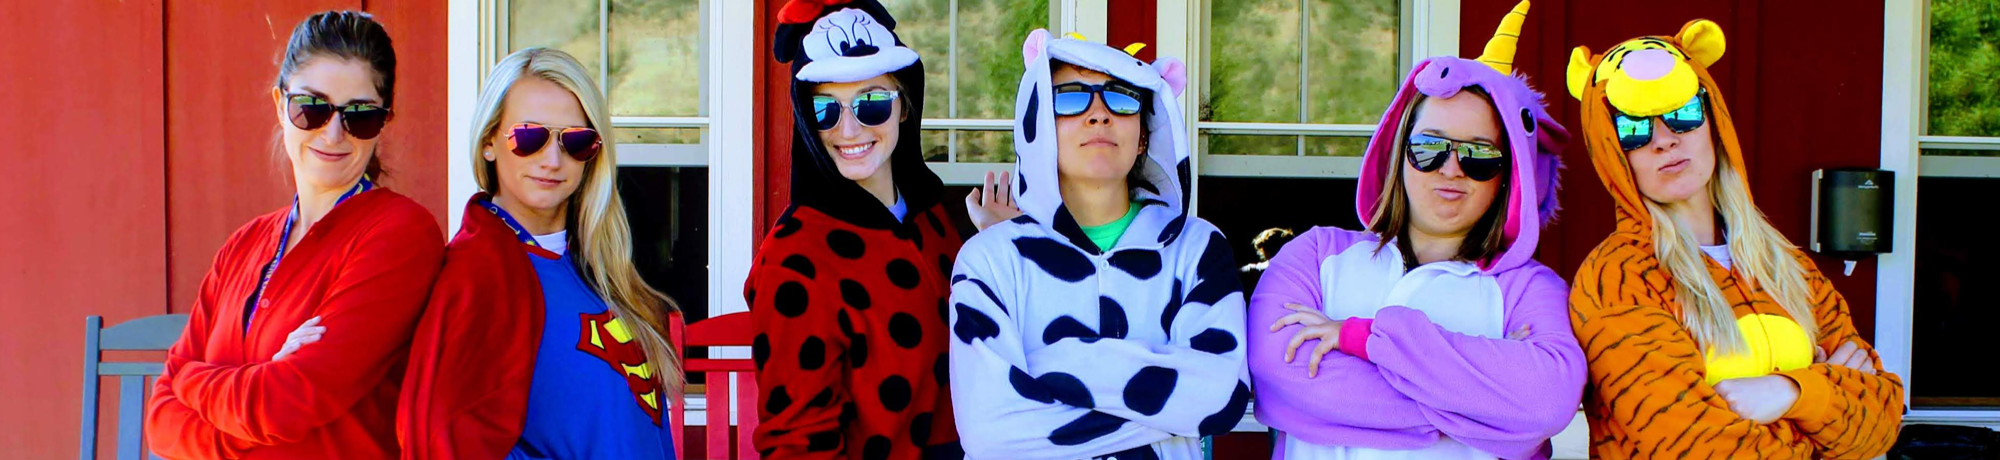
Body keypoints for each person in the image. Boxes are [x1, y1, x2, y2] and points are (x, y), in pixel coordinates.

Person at [1247, 3, 1585, 458]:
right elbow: (1279, 373)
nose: (1451, 169)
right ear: (1397, 151)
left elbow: (1545, 400)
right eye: (1429, 147)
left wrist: (1365, 339)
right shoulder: (1314, 255)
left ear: (1510, 176)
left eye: (1479, 156)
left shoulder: (1530, 289)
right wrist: (1485, 414)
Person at [1564, 18, 1905, 459]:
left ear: (1713, 121)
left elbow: (1882, 421)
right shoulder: (1617, 278)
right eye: (1633, 129)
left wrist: (1786, 392)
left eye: (1683, 114)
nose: (1665, 141)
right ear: (1611, 150)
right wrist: (1827, 399)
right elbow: (1692, 447)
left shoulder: (1787, 264)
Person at [145, 11, 444, 459]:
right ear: (279, 106)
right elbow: (160, 422)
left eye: (360, 115)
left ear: (384, 121)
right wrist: (258, 384)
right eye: (312, 108)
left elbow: (283, 406)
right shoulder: (243, 246)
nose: (334, 132)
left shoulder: (398, 234)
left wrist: (188, 379)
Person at [948, 30, 1251, 460]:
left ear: (1143, 134)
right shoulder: (990, 260)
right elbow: (990, 433)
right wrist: (1166, 408)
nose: (1099, 114)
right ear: (1041, 126)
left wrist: (1051, 364)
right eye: (1071, 97)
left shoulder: (1196, 248)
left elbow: (1220, 396)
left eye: (1122, 98)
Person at [745, 0, 1014, 457]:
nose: (848, 128)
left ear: (904, 107)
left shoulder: (935, 220)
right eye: (826, 108)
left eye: (871, 102)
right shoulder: (795, 259)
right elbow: (796, 444)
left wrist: (1005, 252)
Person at [397, 48, 682, 460]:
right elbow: (441, 440)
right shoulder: (475, 275)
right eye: (529, 136)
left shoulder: (600, 272)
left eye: (575, 141)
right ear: (490, 141)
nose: (552, 160)